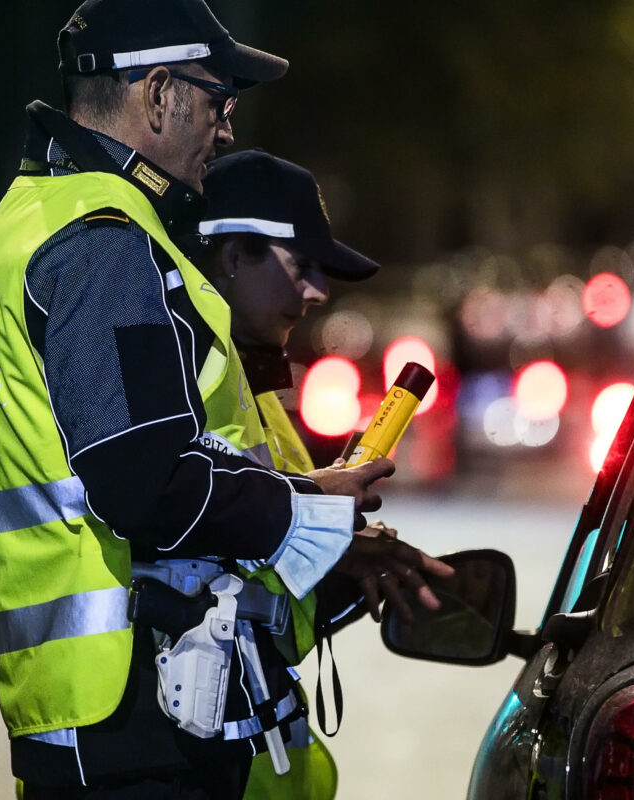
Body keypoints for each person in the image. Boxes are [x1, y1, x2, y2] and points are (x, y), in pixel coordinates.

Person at [0, 1, 451, 797]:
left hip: (82, 706)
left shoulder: (18, 231)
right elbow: (145, 478)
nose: (225, 130)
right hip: (133, 710)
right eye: (219, 101)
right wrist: (311, 506)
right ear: (158, 93)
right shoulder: (103, 241)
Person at [192, 148, 398, 798]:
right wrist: (314, 503)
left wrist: (341, 553)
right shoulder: (185, 371)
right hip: (201, 744)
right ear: (230, 258)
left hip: (249, 735)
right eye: (300, 266)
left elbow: (255, 574)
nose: (318, 292)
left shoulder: (250, 378)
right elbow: (185, 534)